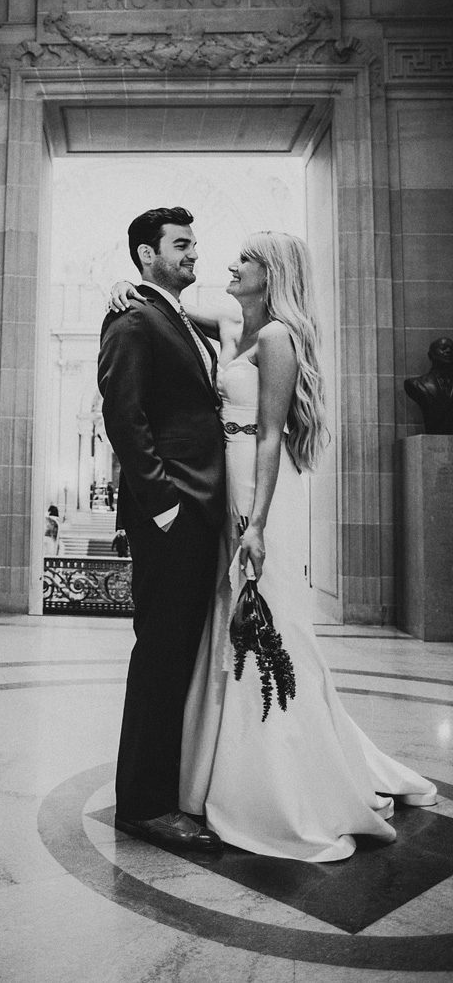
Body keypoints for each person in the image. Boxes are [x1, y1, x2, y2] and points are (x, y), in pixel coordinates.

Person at [109, 232, 438, 861]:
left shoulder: (279, 338)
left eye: (246, 259)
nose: (230, 265)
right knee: (217, 625)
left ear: (272, 273)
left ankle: (275, 778)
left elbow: (268, 437)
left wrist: (254, 523)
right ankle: (204, 772)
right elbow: (170, 310)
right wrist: (125, 288)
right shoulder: (234, 321)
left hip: (249, 489)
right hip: (211, 486)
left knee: (266, 628)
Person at [97, 207, 227, 852]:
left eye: (194, 242)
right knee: (161, 653)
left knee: (181, 653)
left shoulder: (173, 316)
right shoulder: (133, 319)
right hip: (173, 511)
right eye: (181, 244)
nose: (194, 252)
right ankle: (145, 807)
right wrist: (164, 504)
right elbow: (124, 417)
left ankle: (171, 784)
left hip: (201, 508)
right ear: (147, 254)